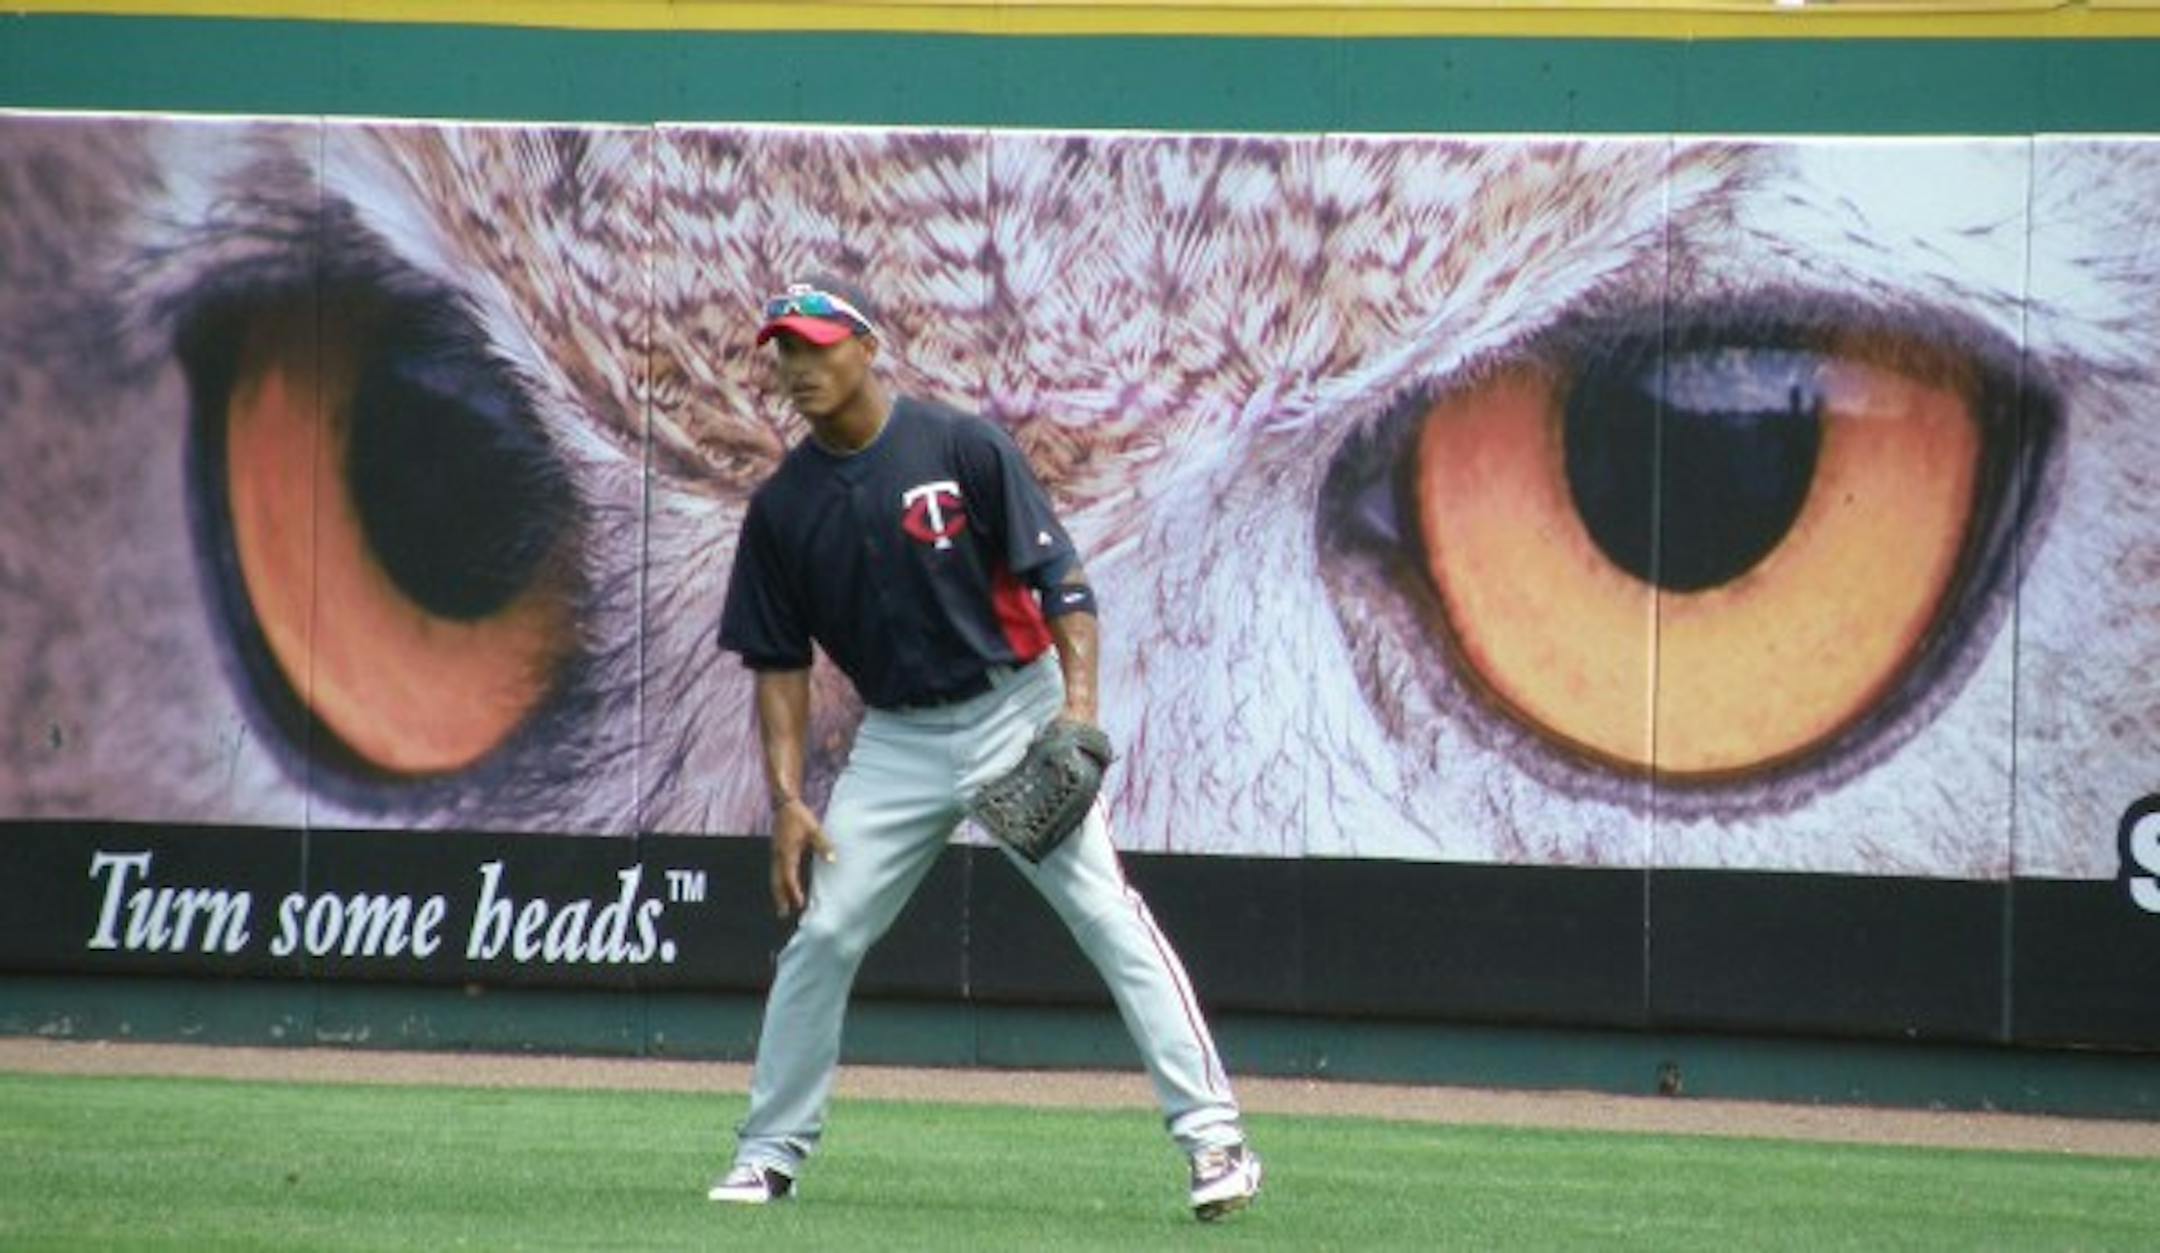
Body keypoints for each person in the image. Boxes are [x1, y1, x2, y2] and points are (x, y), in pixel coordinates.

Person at [707, 278, 1262, 1221]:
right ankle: (768, 1153)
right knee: (825, 934)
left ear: (867, 347)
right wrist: (788, 797)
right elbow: (779, 664)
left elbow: (1063, 586)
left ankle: (1216, 1140)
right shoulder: (783, 509)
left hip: (1016, 709)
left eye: (816, 344)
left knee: (1105, 912)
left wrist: (1075, 715)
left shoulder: (961, 446)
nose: (798, 366)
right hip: (899, 738)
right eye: (785, 349)